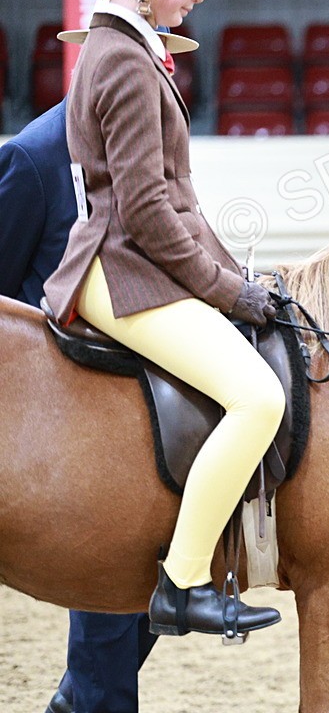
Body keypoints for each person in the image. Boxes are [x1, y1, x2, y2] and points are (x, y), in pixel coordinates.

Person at [42, 0, 285, 638]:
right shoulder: (120, 58)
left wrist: (236, 274)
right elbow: (147, 212)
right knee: (256, 399)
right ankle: (182, 583)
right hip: (122, 272)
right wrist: (227, 291)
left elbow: (177, 201)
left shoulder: (128, 49)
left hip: (135, 261)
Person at [1, 100, 161, 713]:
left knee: (137, 603)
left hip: (140, 407)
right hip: (69, 436)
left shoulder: (140, 147)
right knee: (107, 654)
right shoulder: (33, 157)